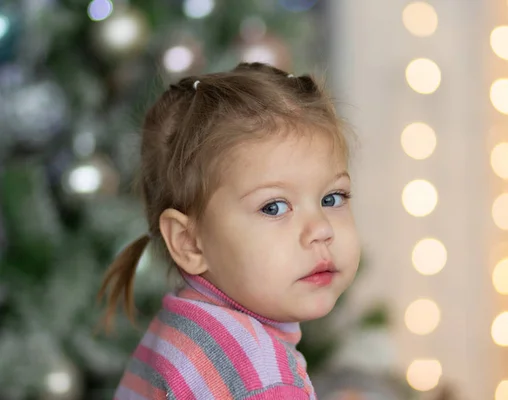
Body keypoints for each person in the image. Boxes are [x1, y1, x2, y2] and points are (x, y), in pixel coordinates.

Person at [97, 62, 361, 399]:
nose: (321, 229)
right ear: (189, 242)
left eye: (332, 197)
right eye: (274, 207)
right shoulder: (263, 382)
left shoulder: (180, 324)